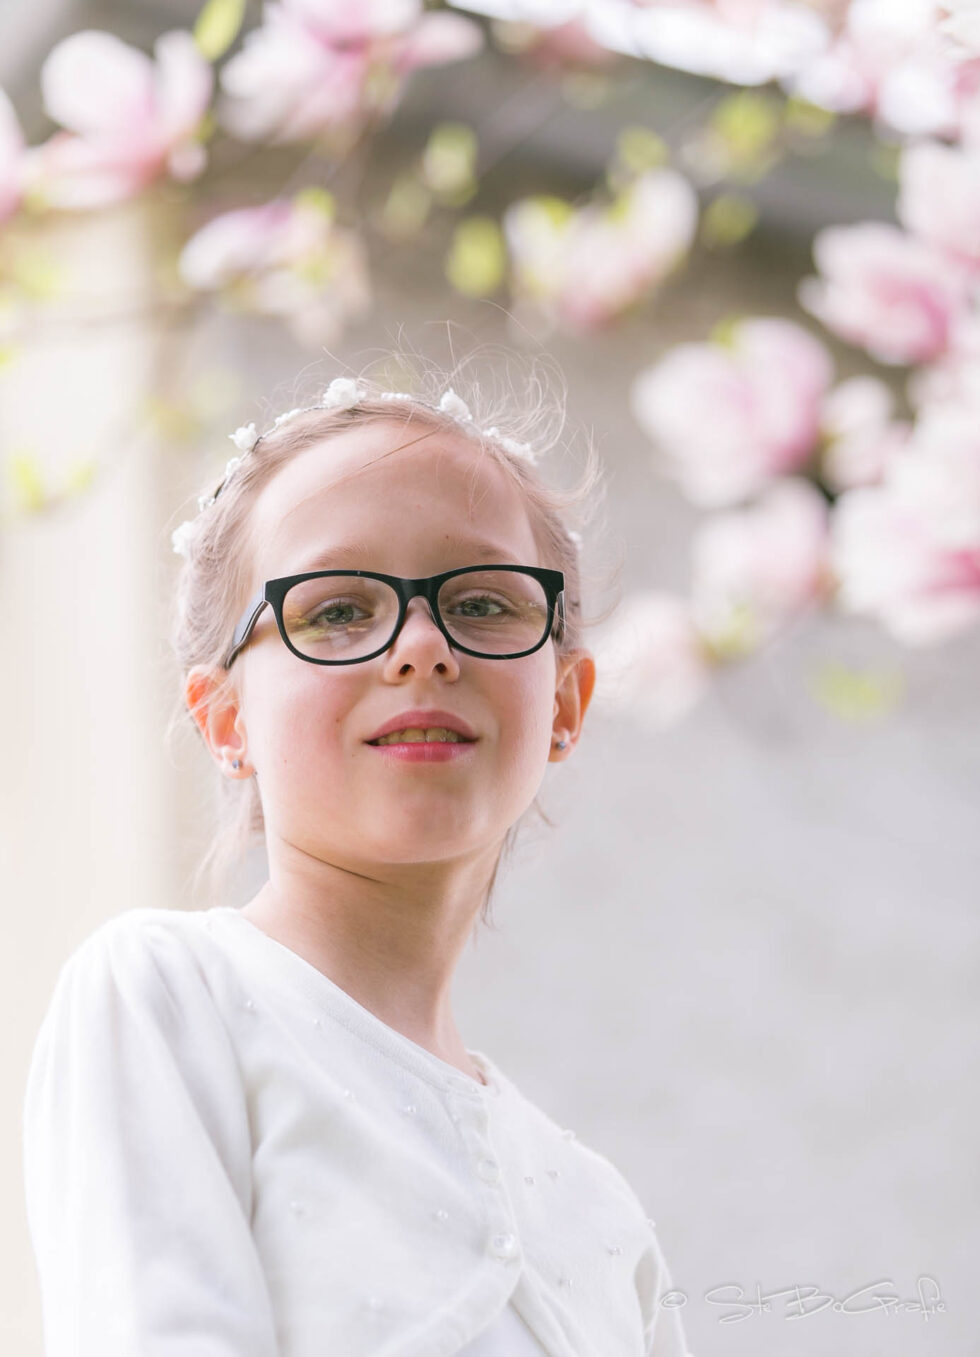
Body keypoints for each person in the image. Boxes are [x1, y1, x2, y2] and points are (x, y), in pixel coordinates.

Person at [23, 357, 691, 1356]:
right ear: (225, 719)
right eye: (336, 610)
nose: (422, 645)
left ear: (564, 700)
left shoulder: (602, 1218)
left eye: (483, 603)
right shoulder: (172, 997)